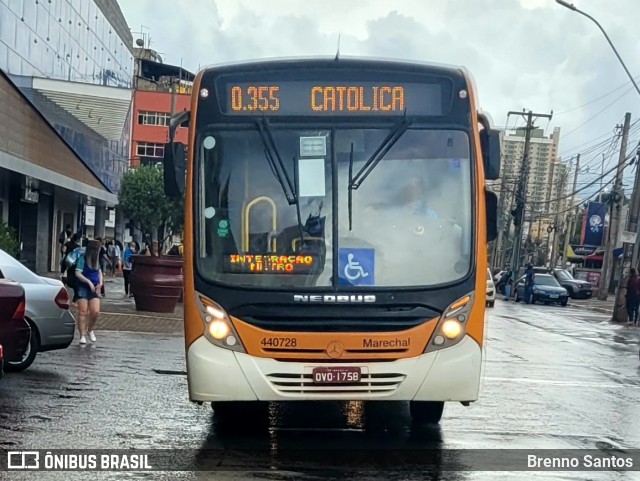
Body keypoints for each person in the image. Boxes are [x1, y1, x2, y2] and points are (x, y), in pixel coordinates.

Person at [74, 239, 103, 344]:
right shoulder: (83, 258)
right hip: (83, 286)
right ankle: (82, 335)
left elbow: (99, 272)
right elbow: (78, 273)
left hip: (95, 287)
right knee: (83, 311)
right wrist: (88, 282)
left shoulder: (97, 260)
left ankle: (90, 329)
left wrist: (100, 283)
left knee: (95, 311)